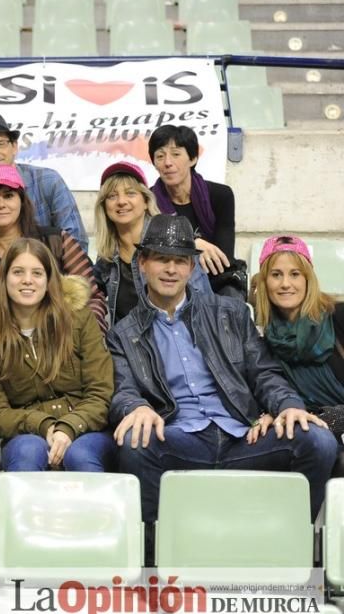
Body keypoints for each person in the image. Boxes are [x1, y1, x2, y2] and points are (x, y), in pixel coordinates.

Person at [108, 215, 337, 552]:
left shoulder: (230, 313)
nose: (171, 269)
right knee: (133, 442)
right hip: (178, 437)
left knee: (318, 442)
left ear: (191, 268)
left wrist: (287, 405)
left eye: (181, 261)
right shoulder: (124, 333)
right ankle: (157, 557)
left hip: (241, 436)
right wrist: (136, 407)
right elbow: (123, 388)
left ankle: (286, 549)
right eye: (162, 259)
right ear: (143, 263)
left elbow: (264, 373)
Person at [0, 239, 115, 472]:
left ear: (49, 279)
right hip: (26, 433)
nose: (27, 281)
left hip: (86, 427)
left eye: (37, 273)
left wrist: (68, 428)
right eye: (18, 272)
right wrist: (42, 425)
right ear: (4, 278)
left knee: (81, 455)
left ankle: (94, 510)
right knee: (28, 453)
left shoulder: (78, 317)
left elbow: (101, 393)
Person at [0, 163, 107, 332]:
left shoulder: (56, 241)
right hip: (3, 351)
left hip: (65, 347)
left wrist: (85, 340)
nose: (1, 204)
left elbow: (93, 298)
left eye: (8, 196)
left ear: (22, 201)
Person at [0, 110, 88, 251]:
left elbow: (76, 242)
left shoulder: (48, 181)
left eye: (0, 144)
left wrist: (47, 272)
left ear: (14, 147)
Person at [92, 161, 211, 328]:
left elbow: (203, 305)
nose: (121, 201)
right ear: (104, 207)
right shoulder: (107, 255)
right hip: (128, 348)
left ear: (146, 200)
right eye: (112, 196)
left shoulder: (173, 241)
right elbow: (88, 294)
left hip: (178, 342)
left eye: (130, 193)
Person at [253, 235, 344, 440]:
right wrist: (271, 414)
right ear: (265, 282)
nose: (286, 284)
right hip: (313, 436)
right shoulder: (261, 340)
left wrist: (331, 419)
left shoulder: (339, 317)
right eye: (276, 275)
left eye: (295, 274)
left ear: (307, 279)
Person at [149, 124, 241, 297]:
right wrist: (192, 244)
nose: (168, 163)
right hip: (169, 281)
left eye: (176, 154)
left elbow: (223, 257)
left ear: (193, 159)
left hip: (216, 278)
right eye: (160, 156)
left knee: (231, 298)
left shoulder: (221, 195)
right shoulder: (149, 200)